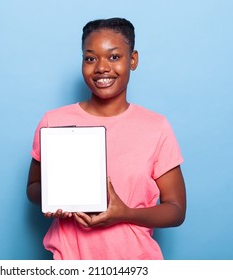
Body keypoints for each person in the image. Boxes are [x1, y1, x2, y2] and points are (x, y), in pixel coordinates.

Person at [27, 17, 186, 260]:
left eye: (114, 57)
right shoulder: (53, 121)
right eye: (90, 58)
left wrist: (124, 213)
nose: (101, 67)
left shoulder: (156, 127)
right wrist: (54, 199)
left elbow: (176, 210)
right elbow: (33, 188)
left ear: (132, 60)